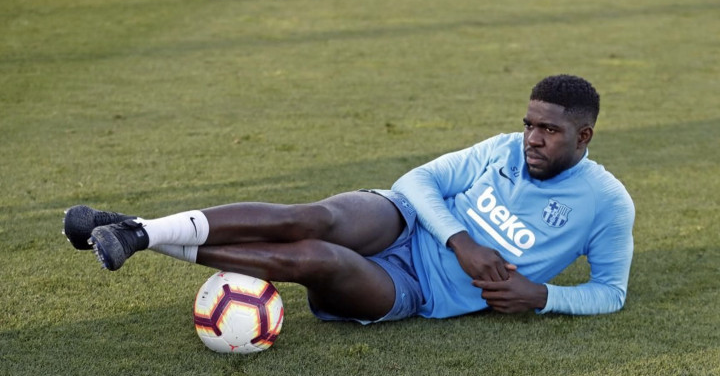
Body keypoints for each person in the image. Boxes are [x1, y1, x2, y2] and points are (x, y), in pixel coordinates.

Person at [63, 74, 634, 323]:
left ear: (583, 136)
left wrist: (542, 296)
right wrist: (459, 240)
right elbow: (416, 182)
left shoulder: (607, 204)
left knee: (314, 258)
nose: (532, 139)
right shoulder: (505, 147)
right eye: (529, 124)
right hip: (407, 222)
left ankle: (134, 229)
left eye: (549, 131)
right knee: (313, 219)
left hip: (421, 291)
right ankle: (140, 234)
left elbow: (610, 293)